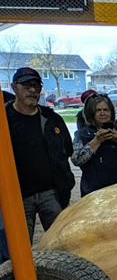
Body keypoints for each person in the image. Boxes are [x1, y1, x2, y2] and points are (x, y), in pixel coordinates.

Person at [6, 67, 74, 243]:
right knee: (18, 248)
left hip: (51, 193)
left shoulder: (51, 119)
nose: (33, 90)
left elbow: (67, 148)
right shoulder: (4, 120)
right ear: (14, 87)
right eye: (27, 85)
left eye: (36, 85)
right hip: (17, 196)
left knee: (61, 244)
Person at [72, 93, 117, 196]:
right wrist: (96, 141)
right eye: (98, 110)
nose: (102, 113)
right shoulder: (82, 134)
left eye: (106, 110)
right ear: (92, 113)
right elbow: (76, 160)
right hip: (94, 192)